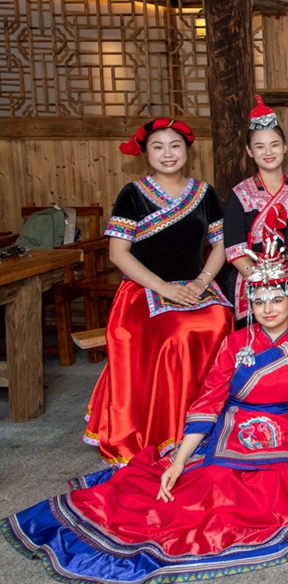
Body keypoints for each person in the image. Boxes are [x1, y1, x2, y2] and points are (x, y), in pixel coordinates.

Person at [4, 243, 288, 584]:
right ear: (251, 306)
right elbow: (209, 402)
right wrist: (178, 461)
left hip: (284, 432)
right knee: (210, 485)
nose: (269, 309)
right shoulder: (234, 342)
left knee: (277, 491)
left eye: (277, 300)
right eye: (259, 302)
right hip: (233, 425)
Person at [84, 118, 232, 466]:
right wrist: (164, 288)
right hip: (143, 289)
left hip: (195, 284)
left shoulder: (204, 192)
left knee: (220, 319)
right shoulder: (132, 194)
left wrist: (202, 281)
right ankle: (170, 430)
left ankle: (211, 424)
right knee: (178, 332)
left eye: (175, 145)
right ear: (145, 153)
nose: (168, 154)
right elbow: (117, 253)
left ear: (187, 150)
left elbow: (222, 242)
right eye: (158, 147)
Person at [224, 96, 288, 347]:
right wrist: (268, 285)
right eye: (259, 147)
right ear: (249, 151)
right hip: (254, 277)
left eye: (274, 144)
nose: (268, 152)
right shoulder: (240, 194)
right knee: (258, 333)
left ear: (285, 147)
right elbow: (235, 250)